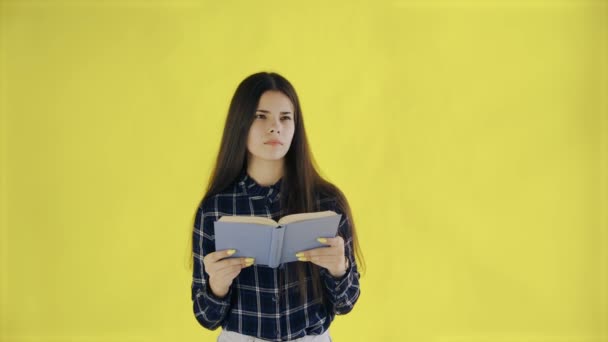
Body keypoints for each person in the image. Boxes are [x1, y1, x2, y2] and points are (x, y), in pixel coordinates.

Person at [189, 71, 364, 342]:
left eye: (285, 118)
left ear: (296, 127)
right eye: (261, 116)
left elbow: (346, 303)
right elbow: (206, 317)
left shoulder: (327, 202)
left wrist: (339, 269)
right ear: (240, 124)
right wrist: (217, 285)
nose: (275, 127)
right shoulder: (214, 208)